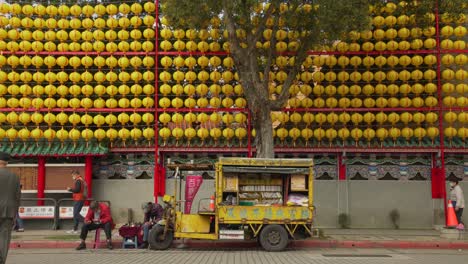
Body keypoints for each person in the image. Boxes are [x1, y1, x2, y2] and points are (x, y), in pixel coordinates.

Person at [0, 152, 20, 264]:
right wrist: (15, 214)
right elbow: (17, 196)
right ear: (7, 162)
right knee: (4, 238)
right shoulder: (15, 177)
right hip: (8, 212)